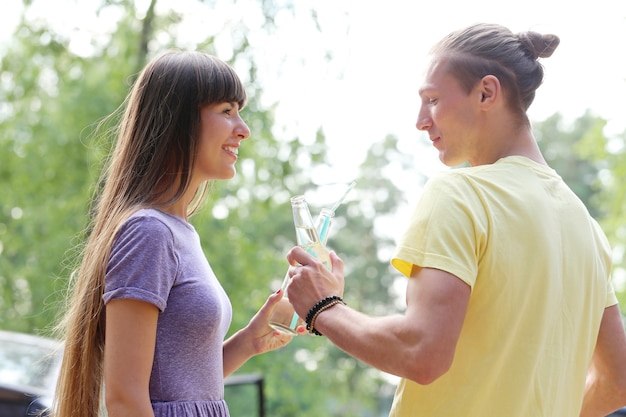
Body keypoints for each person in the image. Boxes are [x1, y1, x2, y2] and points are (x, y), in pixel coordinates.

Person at [284, 23, 626, 416]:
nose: (420, 120)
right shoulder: (587, 227)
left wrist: (323, 306)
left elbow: (420, 352)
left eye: (432, 99)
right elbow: (618, 382)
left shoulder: (460, 194)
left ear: (486, 92)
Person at [51, 50, 291, 417]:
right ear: (179, 122)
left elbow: (183, 393)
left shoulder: (180, 233)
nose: (243, 129)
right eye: (226, 111)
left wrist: (248, 342)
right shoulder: (149, 232)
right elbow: (125, 399)